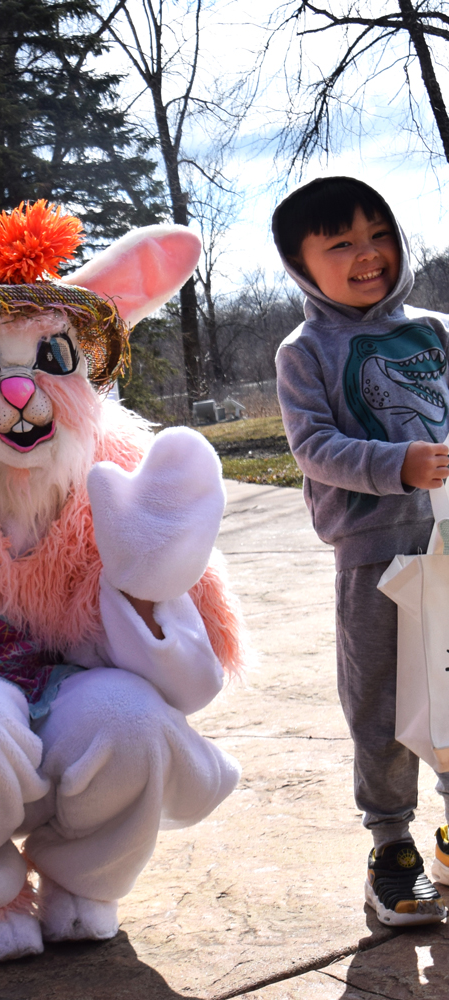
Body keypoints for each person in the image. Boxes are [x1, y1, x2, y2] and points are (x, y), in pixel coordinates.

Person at [274, 176, 449, 927]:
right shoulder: (306, 350)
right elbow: (312, 446)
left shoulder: (437, 329)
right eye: (339, 243)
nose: (367, 253)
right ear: (302, 266)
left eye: (376, 233)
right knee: (379, 700)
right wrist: (395, 464)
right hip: (373, 551)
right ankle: (392, 848)